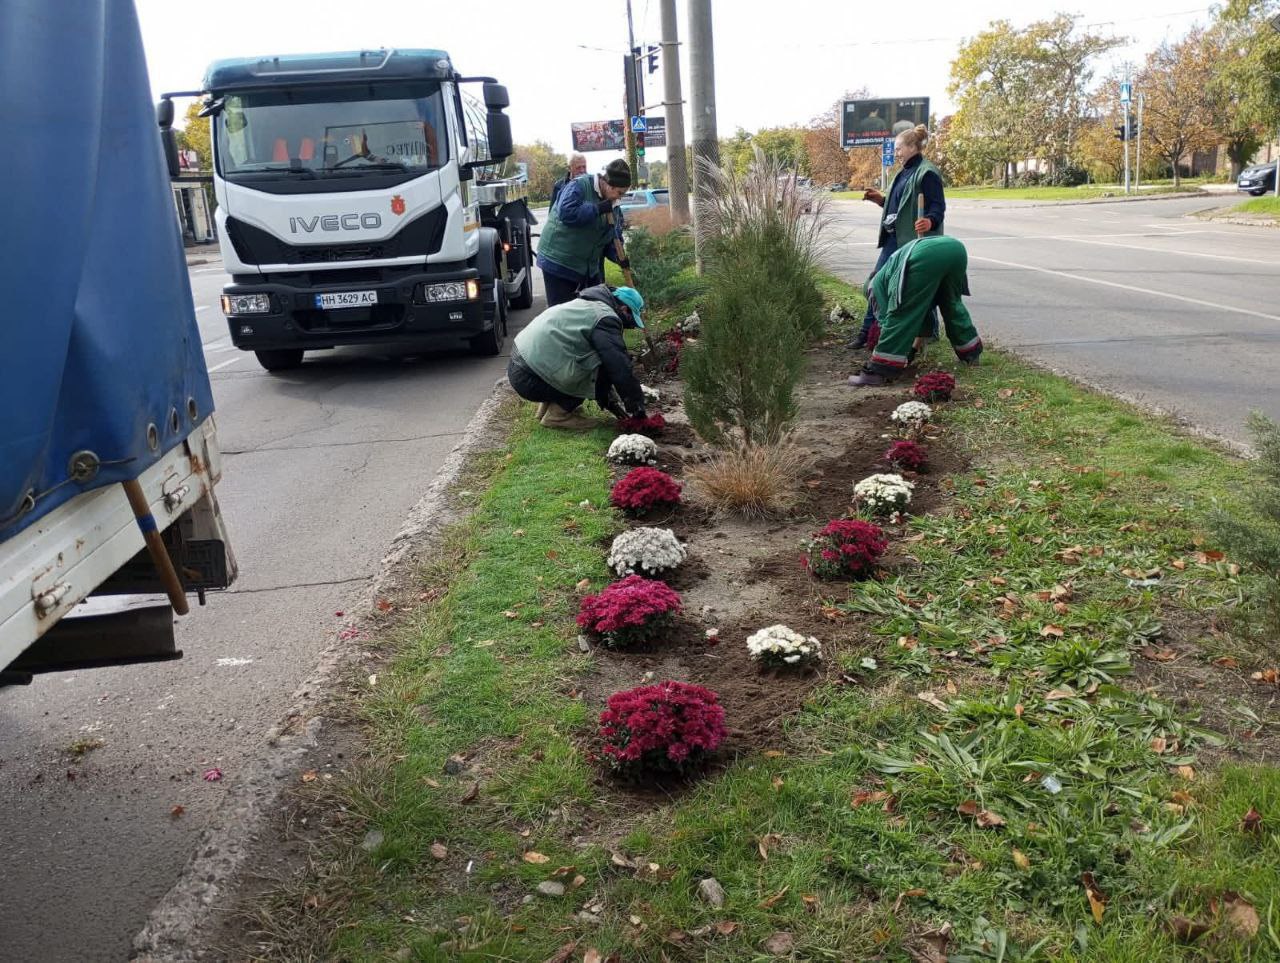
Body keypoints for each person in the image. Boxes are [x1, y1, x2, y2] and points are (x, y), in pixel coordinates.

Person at [850, 124, 946, 349]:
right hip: (894, 240)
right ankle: (867, 333)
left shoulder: (927, 172)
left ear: (913, 147)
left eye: (899, 148)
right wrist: (881, 201)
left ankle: (925, 334)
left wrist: (930, 220)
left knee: (915, 288)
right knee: (876, 285)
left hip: (913, 242)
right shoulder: (902, 173)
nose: (896, 153)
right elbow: (900, 207)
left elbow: (938, 206)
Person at [507, 285, 648, 430]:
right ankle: (557, 417)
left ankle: (547, 408)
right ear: (624, 309)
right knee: (595, 371)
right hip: (530, 379)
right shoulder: (606, 319)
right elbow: (619, 367)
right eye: (631, 320)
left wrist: (610, 401)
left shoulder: (589, 305)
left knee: (584, 359)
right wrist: (637, 407)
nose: (630, 326)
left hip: (519, 366)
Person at [847, 235, 982, 387]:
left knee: (900, 313)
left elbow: (893, 321)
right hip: (955, 249)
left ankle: (878, 373)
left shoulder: (873, 290)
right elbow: (923, 317)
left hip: (926, 256)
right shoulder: (890, 275)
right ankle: (971, 354)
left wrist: (891, 355)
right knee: (951, 304)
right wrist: (910, 351)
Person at [537, 159, 632, 307]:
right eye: (619, 193)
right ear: (608, 184)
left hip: (588, 268)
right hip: (558, 261)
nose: (619, 197)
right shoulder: (579, 185)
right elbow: (567, 213)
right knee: (563, 314)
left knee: (593, 311)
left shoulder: (613, 205)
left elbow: (612, 237)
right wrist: (598, 208)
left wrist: (618, 257)